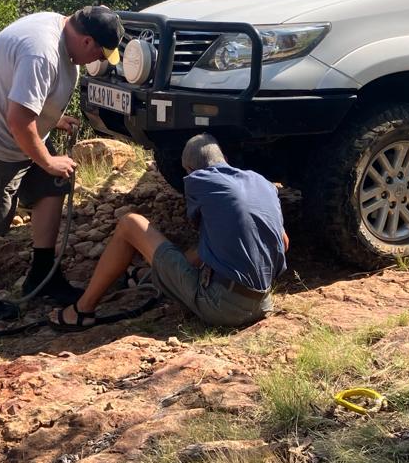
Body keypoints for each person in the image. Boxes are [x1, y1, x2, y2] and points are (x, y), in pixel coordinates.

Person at [0, 5, 125, 321]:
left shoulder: (61, 33)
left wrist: (51, 120)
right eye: (99, 52)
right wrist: (48, 161)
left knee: (51, 186)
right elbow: (18, 119)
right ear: (86, 41)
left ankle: (43, 274)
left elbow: (20, 91)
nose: (98, 59)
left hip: (17, 130)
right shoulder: (42, 53)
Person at [52, 133, 287, 331]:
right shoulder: (261, 183)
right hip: (263, 302)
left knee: (130, 223)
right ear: (225, 158)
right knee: (210, 243)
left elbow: (198, 228)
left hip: (222, 308)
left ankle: (82, 310)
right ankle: (149, 276)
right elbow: (283, 242)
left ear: (189, 170)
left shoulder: (199, 180)